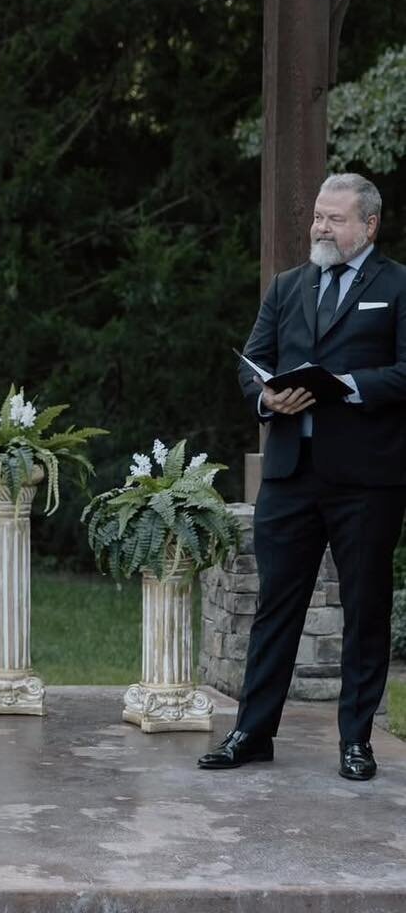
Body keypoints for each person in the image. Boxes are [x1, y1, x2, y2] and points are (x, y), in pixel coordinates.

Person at [199, 172, 406, 782]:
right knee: (275, 608)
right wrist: (267, 398)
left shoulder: (397, 286)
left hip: (366, 480)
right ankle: (252, 732)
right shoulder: (288, 286)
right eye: (318, 215)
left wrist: (346, 387)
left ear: (368, 225)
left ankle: (356, 741)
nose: (321, 227)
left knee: (365, 610)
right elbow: (252, 361)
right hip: (290, 475)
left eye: (335, 218)